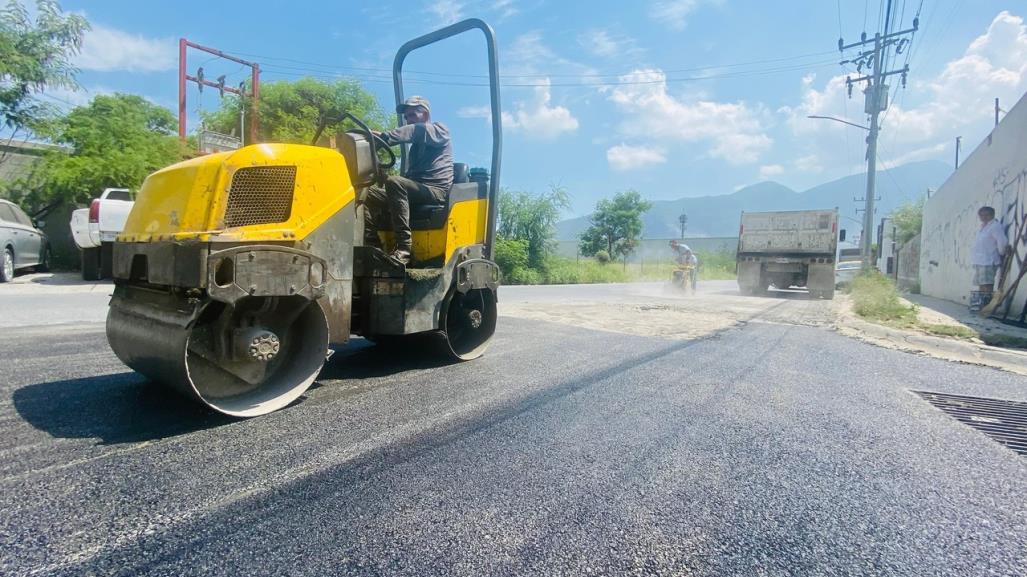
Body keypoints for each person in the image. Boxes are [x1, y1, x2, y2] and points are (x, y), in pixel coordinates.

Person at [366, 96, 453, 265]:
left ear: (425, 114)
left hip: (435, 190)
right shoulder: (415, 149)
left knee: (395, 182)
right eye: (406, 117)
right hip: (418, 190)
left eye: (412, 114)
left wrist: (385, 136)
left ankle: (404, 249)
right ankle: (372, 245)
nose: (408, 119)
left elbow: (416, 130)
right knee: (363, 192)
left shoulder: (440, 130)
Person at [971, 205, 1008, 304]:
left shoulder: (995, 226)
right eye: (981, 215)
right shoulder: (984, 226)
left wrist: (1002, 254)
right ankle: (981, 304)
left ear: (992, 215)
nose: (983, 217)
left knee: (987, 284)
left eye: (986, 215)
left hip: (988, 260)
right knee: (981, 283)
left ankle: (986, 304)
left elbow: (1002, 242)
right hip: (980, 260)